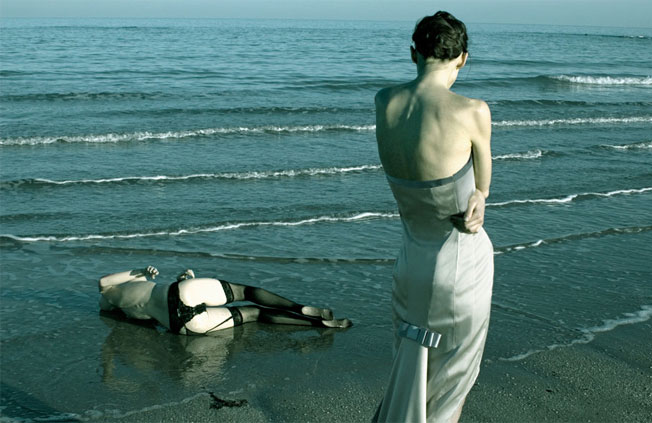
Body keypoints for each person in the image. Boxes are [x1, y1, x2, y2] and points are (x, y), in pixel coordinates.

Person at [372, 11, 494, 423]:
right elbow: (482, 185)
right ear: (463, 58)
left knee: (411, 384)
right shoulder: (473, 110)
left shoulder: (384, 102)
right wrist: (480, 196)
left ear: (414, 54)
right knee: (448, 392)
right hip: (460, 269)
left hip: (410, 269)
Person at [99, 266, 351, 334]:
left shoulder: (126, 311)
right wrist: (141, 271)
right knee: (245, 292)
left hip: (182, 325)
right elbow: (104, 281)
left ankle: (316, 324)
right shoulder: (108, 289)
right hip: (178, 292)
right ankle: (299, 307)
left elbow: (153, 317)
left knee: (253, 314)